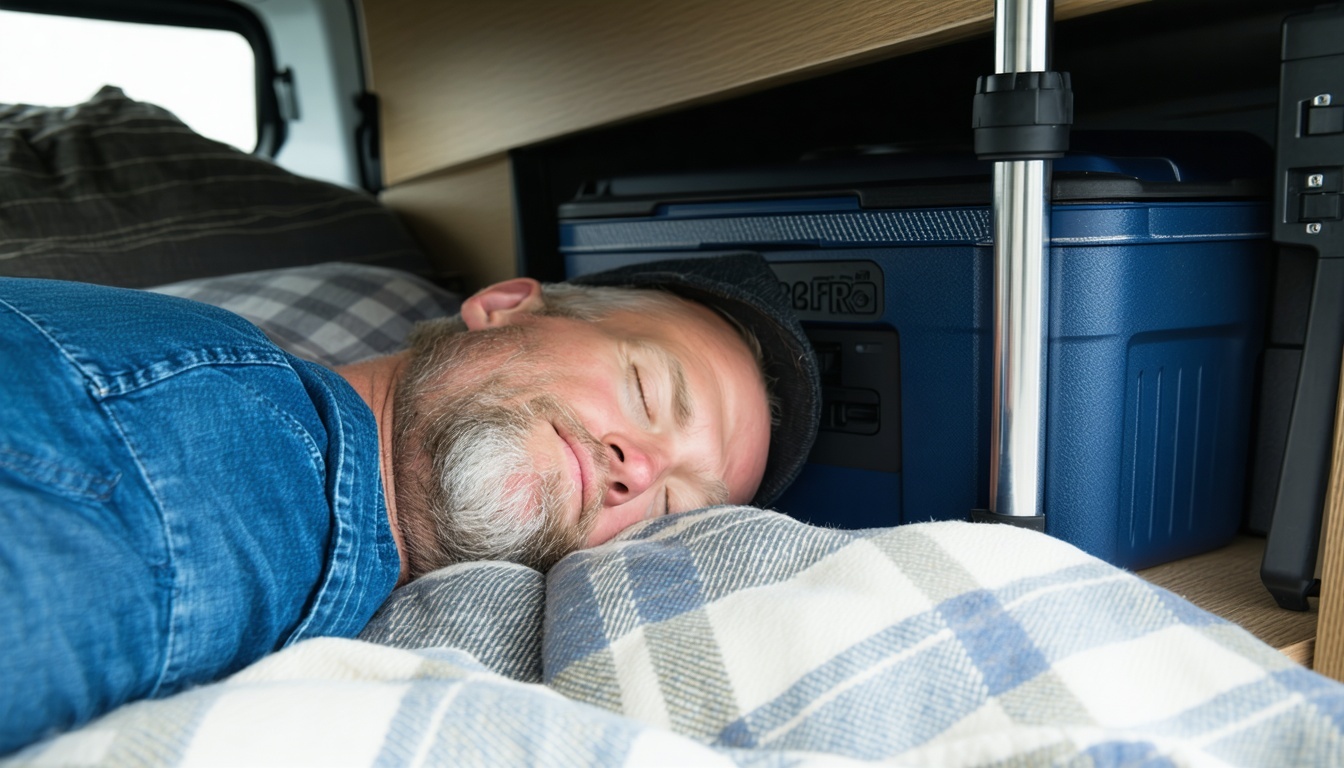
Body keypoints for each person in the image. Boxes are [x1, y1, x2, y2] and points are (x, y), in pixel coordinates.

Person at [0, 253, 820, 754]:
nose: (636, 469)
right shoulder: (229, 428)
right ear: (503, 307)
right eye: (645, 387)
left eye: (673, 507)